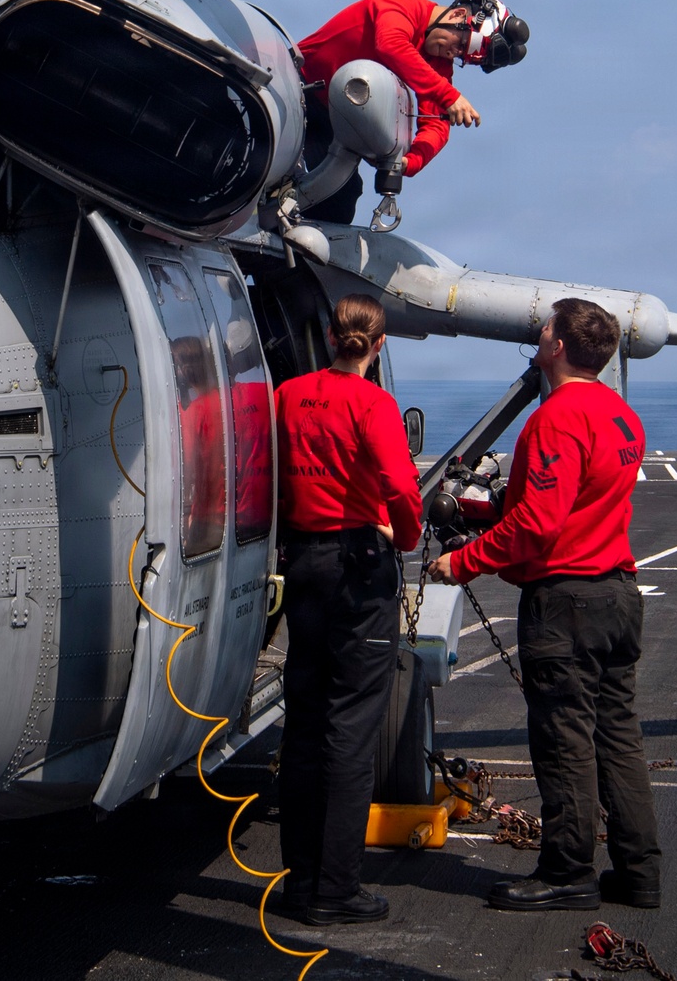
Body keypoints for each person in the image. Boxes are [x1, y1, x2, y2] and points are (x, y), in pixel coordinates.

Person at [429, 298, 661, 913]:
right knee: (618, 738)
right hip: (617, 594)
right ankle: (639, 873)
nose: (538, 336)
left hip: (569, 602)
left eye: (544, 329)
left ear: (558, 346)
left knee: (564, 742)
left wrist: (463, 561)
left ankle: (566, 872)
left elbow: (539, 521)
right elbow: (575, 503)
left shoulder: (556, 418)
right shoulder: (622, 417)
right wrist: (486, 514)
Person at [273, 294, 422, 925]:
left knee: (304, 721)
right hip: (356, 567)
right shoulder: (374, 403)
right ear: (378, 344)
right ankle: (336, 890)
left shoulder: (290, 394)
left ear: (330, 338)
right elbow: (399, 486)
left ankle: (301, 879)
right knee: (351, 728)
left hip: (302, 561)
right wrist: (406, 536)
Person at [297, 0, 527, 221]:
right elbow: (391, 44)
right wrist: (449, 96)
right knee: (271, 160)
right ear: (457, 15)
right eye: (461, 46)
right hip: (294, 89)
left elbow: (437, 125)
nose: (452, 55)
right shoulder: (406, 3)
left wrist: (410, 161)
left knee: (339, 200)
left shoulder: (437, 63)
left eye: (461, 57)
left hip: (331, 123)